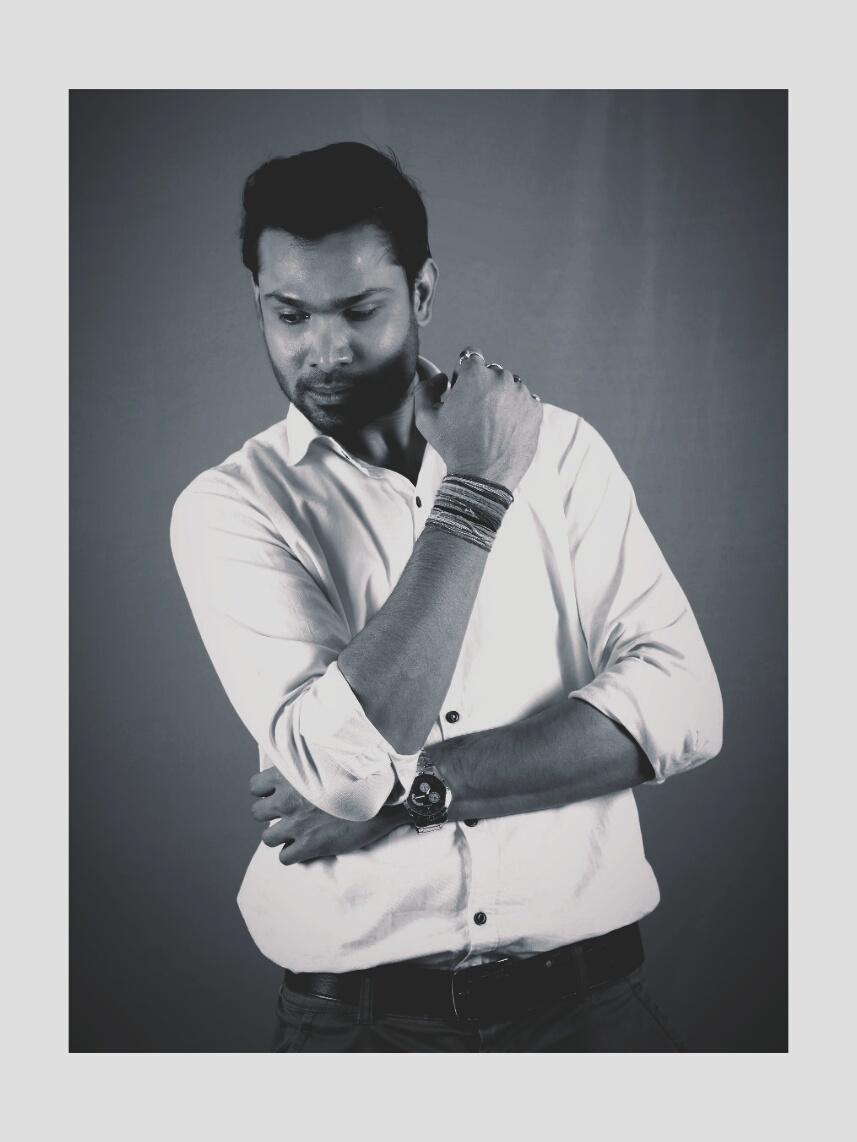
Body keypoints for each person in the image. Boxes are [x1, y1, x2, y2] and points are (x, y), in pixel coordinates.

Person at [170, 141, 723, 1053]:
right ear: (258, 304)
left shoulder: (561, 450)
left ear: (421, 293)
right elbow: (342, 769)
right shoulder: (231, 507)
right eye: (290, 314)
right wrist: (475, 490)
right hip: (360, 1033)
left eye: (360, 310)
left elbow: (683, 708)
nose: (324, 351)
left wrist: (409, 794)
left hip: (589, 1015)